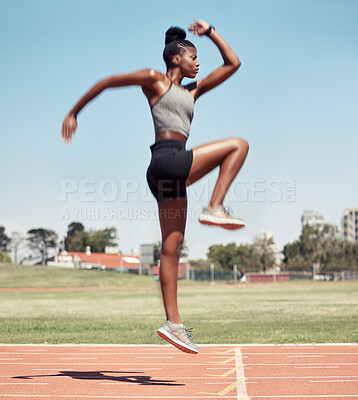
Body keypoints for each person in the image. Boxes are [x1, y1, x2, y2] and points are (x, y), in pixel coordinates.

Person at [61, 19, 249, 355]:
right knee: (238, 145)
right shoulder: (155, 80)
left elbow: (233, 64)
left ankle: (173, 324)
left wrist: (210, 32)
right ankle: (215, 206)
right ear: (177, 58)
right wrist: (75, 111)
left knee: (172, 248)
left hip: (167, 172)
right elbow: (107, 82)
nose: (198, 63)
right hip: (166, 160)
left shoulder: (194, 90)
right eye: (193, 57)